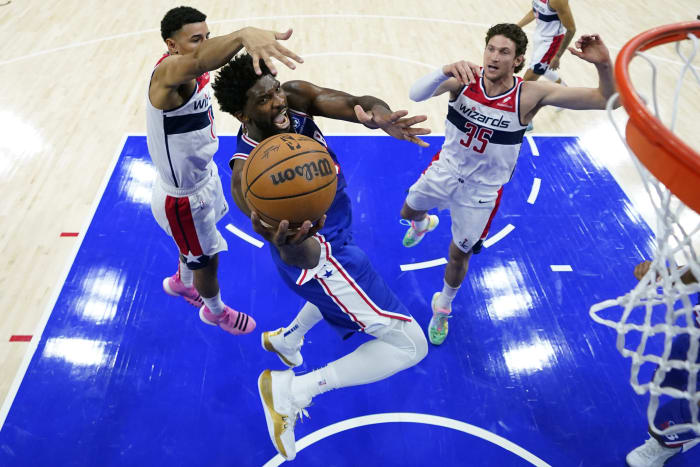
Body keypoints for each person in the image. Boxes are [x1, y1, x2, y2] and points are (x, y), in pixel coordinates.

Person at [211, 53, 430, 460]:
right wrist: (305, 248)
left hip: (335, 219)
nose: (277, 101)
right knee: (410, 346)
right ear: (242, 114)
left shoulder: (292, 99)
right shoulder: (247, 176)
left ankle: (287, 340)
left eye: (275, 89)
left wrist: (378, 115)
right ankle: (291, 392)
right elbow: (290, 250)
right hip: (315, 252)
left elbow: (353, 103)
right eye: (264, 100)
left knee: (338, 295)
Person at [400, 23, 618, 345]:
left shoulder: (530, 95)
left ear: (517, 61)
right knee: (408, 210)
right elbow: (415, 94)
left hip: (481, 192)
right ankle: (423, 223)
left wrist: (602, 63)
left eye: (504, 52)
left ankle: (443, 305)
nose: (494, 57)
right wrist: (443, 69)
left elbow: (607, 99)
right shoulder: (463, 81)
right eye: (491, 49)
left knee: (459, 255)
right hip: (445, 170)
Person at [146, 6, 302, 335]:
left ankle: (181, 280)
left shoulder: (193, 71)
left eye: (207, 36)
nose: (203, 44)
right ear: (171, 46)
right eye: (194, 39)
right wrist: (245, 33)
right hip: (183, 199)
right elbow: (201, 60)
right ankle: (215, 312)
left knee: (194, 246)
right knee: (207, 260)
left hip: (204, 178)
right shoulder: (169, 76)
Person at [626, 260, 700, 466]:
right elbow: (695, 275)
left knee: (688, 410)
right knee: (666, 380)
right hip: (694, 339)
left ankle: (665, 445)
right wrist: (665, 275)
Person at [516, 0, 575, 85]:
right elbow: (535, 11)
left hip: (551, 43)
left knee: (526, 82)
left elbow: (571, 29)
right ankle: (565, 89)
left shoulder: (558, 1)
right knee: (544, 70)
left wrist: (557, 56)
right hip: (539, 36)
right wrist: (517, 26)